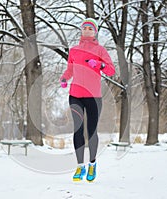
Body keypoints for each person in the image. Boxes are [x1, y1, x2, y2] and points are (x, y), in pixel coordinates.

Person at [60, 18, 116, 182]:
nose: (87, 31)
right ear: (81, 30)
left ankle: (92, 163)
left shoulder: (100, 50)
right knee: (78, 130)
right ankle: (80, 166)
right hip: (75, 95)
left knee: (91, 132)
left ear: (95, 32)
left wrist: (98, 64)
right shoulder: (74, 50)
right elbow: (70, 69)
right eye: (84, 28)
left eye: (90, 28)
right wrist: (64, 78)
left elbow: (111, 70)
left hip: (93, 96)